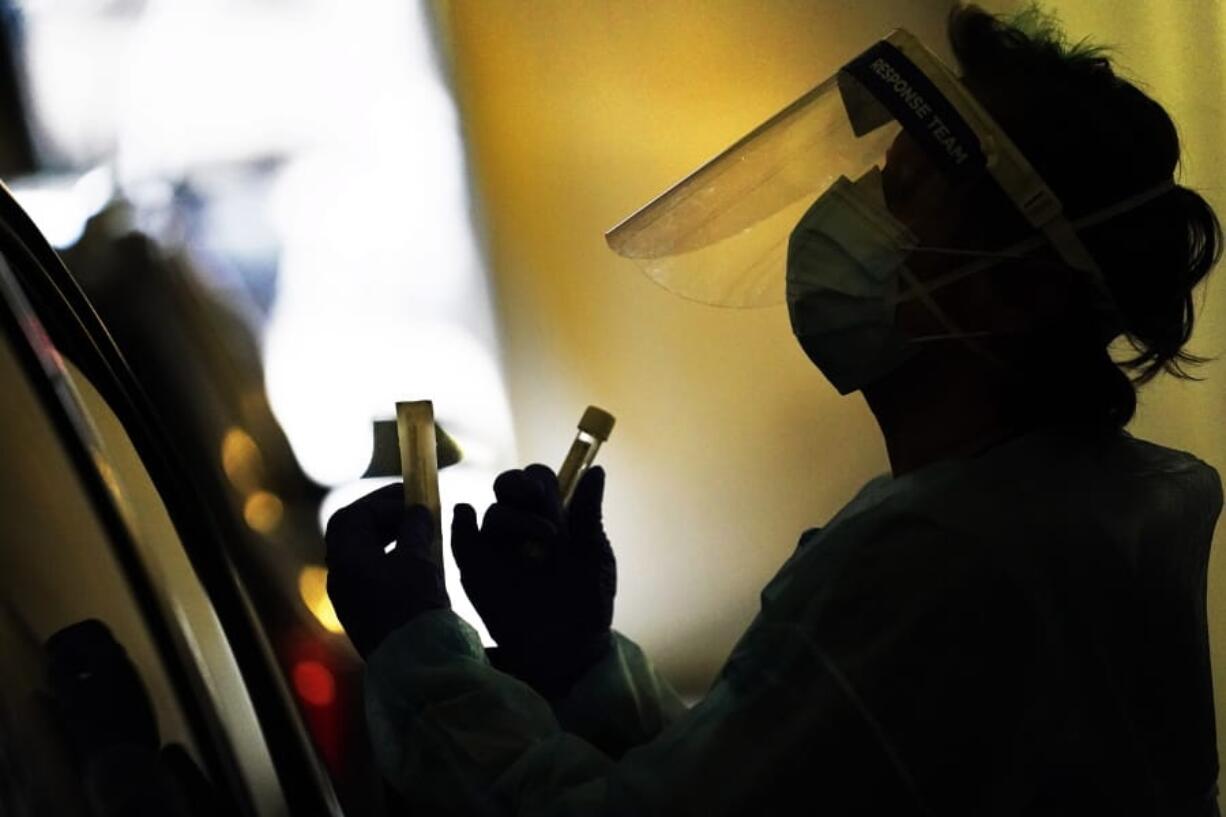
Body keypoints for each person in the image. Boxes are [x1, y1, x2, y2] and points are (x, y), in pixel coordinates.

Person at [325, 6, 1223, 815]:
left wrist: (417, 657)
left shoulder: (943, 561)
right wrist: (578, 665)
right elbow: (771, 777)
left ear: (1013, 293)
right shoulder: (1064, 518)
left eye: (901, 197)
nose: (851, 214)